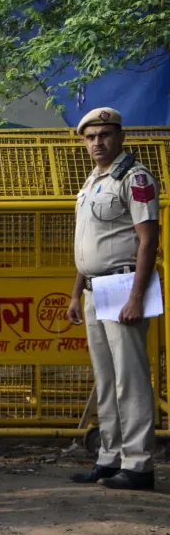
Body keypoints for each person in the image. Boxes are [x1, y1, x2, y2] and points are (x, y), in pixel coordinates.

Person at [67, 107, 158, 491]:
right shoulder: (92, 180)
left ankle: (138, 464)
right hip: (93, 288)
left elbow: (148, 239)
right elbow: (88, 245)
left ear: (120, 136)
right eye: (90, 137)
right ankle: (110, 456)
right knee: (106, 380)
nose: (97, 142)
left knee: (131, 379)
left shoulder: (134, 177)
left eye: (104, 135)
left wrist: (136, 297)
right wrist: (75, 292)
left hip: (123, 287)